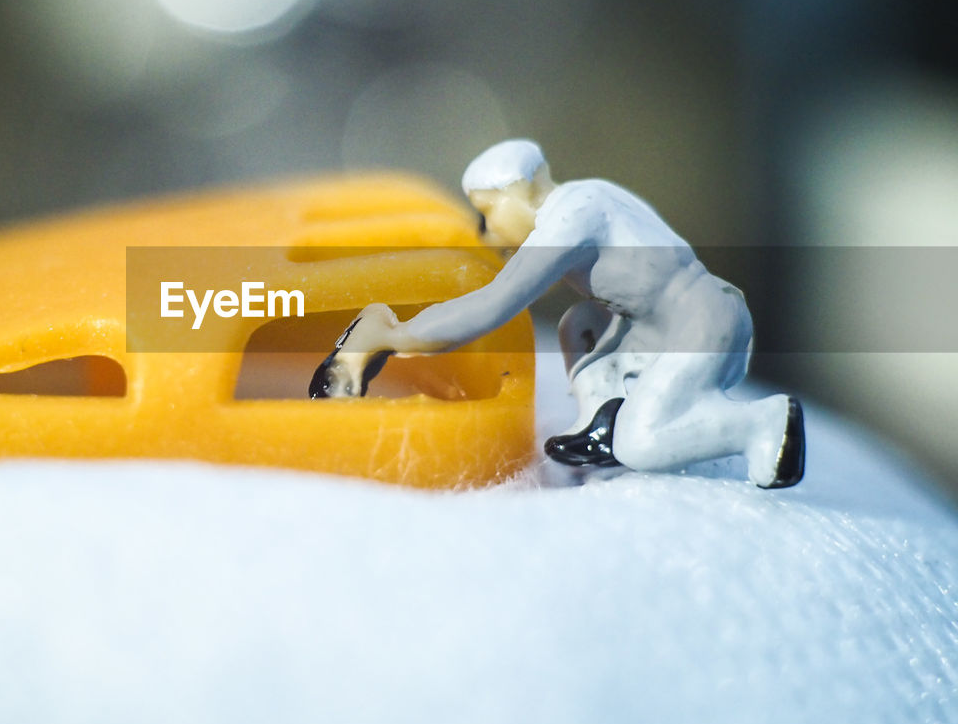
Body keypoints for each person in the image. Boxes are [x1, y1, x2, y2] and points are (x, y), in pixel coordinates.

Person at [310, 139, 804, 489]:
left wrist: (395, 336)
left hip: (699, 325)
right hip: (655, 326)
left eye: (488, 213)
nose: (487, 233)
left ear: (519, 192)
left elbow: (494, 305)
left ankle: (760, 424)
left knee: (646, 446)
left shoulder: (573, 217)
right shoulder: (589, 195)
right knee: (579, 324)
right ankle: (602, 425)